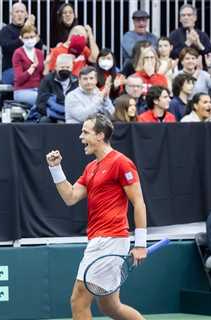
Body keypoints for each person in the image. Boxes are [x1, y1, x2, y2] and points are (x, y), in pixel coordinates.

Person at [45, 113, 148, 320]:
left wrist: (141, 244)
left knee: (78, 299)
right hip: (98, 239)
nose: (81, 137)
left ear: (100, 135)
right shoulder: (91, 168)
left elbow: (138, 202)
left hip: (110, 240)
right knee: (111, 307)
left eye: (85, 132)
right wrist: (55, 168)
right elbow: (71, 197)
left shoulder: (122, 163)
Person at [0, 2, 38, 85]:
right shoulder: (6, 30)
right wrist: (25, 32)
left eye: (22, 12)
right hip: (11, 70)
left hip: (29, 69)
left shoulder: (31, 30)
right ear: (11, 14)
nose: (19, 14)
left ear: (26, 14)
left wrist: (30, 30)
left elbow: (39, 47)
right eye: (17, 12)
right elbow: (8, 47)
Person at [35, 53, 78, 123]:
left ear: (72, 67)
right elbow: (40, 104)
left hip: (72, 115)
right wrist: (52, 114)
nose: (65, 69)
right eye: (62, 67)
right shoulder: (47, 80)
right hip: (52, 115)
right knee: (44, 120)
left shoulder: (76, 81)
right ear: (56, 67)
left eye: (68, 67)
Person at [12, 24, 44, 107]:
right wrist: (32, 68)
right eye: (26, 38)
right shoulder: (18, 53)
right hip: (22, 91)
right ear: (21, 39)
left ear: (37, 38)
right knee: (42, 100)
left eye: (32, 37)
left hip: (38, 90)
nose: (30, 40)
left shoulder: (39, 53)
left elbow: (42, 76)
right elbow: (19, 79)